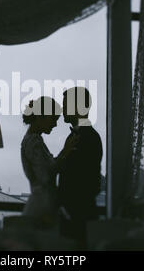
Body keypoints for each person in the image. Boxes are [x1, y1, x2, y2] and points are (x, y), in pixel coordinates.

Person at [21, 96, 79, 229]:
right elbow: (45, 175)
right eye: (53, 119)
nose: (55, 124)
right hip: (42, 208)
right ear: (41, 116)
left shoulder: (32, 140)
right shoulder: (34, 142)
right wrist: (65, 151)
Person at [58, 87, 103, 247]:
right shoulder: (79, 136)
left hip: (78, 216)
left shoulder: (88, 138)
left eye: (65, 105)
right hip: (73, 215)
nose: (62, 110)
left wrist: (67, 207)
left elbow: (88, 181)